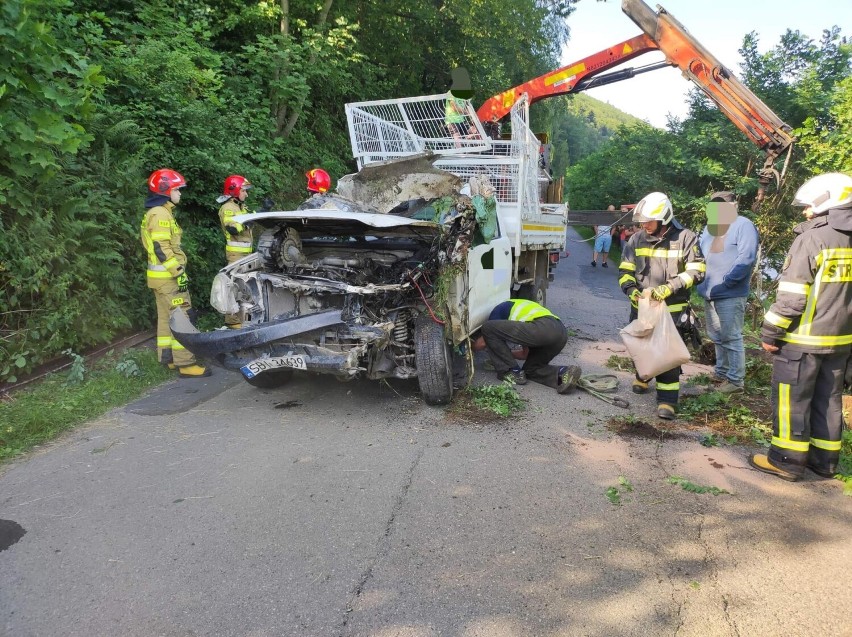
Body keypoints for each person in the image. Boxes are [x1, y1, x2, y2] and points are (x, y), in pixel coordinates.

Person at [748, 172, 852, 482]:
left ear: (828, 202)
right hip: (841, 342)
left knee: (791, 400)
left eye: (809, 206)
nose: (806, 212)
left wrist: (770, 333)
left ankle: (786, 460)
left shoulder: (812, 237)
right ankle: (825, 461)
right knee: (828, 400)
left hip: (803, 341)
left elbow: (792, 300)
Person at [618, 192, 706, 419]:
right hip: (643, 308)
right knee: (642, 345)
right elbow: (625, 270)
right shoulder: (636, 239)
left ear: (664, 218)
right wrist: (631, 291)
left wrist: (670, 287)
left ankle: (667, 401)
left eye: (649, 221)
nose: (645, 226)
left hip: (672, 309)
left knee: (666, 354)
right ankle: (643, 376)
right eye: (643, 222)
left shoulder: (686, 238)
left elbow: (698, 270)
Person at [140, 169, 210, 378]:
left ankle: (168, 358)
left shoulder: (157, 212)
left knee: (166, 319)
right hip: (168, 279)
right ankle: (186, 363)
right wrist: (178, 271)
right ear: (165, 191)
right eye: (177, 189)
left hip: (159, 280)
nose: (180, 193)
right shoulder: (160, 214)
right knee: (182, 317)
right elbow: (161, 248)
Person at [696, 191, 760, 393]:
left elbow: (746, 258)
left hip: (730, 293)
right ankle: (721, 372)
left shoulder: (743, 225)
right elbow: (699, 255)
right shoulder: (709, 228)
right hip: (709, 292)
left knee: (731, 336)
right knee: (716, 334)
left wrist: (727, 283)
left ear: (733, 205)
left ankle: (735, 380)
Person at [471, 299, 582, 393]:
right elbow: (525, 354)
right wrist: (503, 353)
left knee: (488, 328)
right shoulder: (525, 315)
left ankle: (511, 372)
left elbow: (483, 341)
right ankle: (564, 373)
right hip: (560, 333)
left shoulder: (500, 309)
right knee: (531, 370)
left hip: (544, 327)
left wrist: (469, 348)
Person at [217, 175, 254, 329]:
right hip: (236, 256)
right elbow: (232, 228)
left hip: (245, 256)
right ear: (235, 191)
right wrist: (246, 223)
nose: (246, 194)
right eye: (244, 190)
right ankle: (232, 322)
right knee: (233, 289)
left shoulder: (241, 207)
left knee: (243, 289)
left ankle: (242, 320)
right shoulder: (228, 208)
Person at [445, 67, 473, 148]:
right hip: (452, 120)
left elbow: (466, 106)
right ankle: (460, 153)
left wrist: (471, 117)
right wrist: (466, 113)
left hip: (461, 120)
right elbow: (454, 107)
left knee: (471, 132)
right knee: (456, 135)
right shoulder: (450, 93)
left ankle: (469, 151)